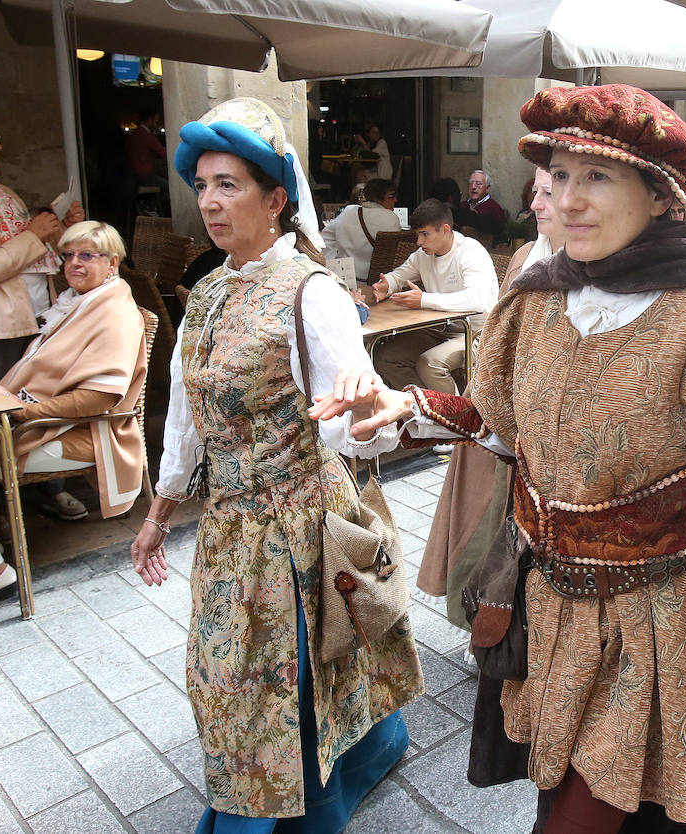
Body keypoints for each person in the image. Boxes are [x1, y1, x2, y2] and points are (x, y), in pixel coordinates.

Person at [310, 83, 686, 833]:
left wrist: (678, 550)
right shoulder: (535, 298)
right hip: (549, 615)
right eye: (559, 176)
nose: (568, 199)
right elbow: (505, 428)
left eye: (597, 177)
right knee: (571, 795)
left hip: (657, 630)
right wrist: (414, 408)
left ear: (661, 195)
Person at [128, 97, 423, 832]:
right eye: (202, 185)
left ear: (276, 199)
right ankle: (356, 758)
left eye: (228, 184)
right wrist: (159, 513)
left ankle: (277, 810)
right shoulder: (205, 293)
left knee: (283, 678)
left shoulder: (311, 294)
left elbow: (364, 431)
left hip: (299, 521)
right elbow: (187, 418)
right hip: (231, 527)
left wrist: (362, 410)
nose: (209, 202)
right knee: (229, 677)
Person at [0, 220, 146, 615]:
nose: (73, 264)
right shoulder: (82, 301)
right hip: (48, 424)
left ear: (113, 262)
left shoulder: (115, 313)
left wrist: (24, 411)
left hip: (90, 435)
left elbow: (99, 397)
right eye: (68, 255)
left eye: (86, 255)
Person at [416, 166, 564, 617]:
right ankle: (487, 615)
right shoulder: (525, 257)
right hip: (501, 413)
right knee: (487, 526)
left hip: (547, 436)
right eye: (535, 191)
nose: (535, 204)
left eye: (548, 192)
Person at [0, 109, 90, 521]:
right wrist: (33, 233)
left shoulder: (3, 195)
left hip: (37, 318)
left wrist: (63, 229)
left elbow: (39, 257)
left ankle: (49, 489)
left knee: (42, 401)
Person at [370, 198, 497, 394]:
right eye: (417, 235)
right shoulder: (423, 255)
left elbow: (476, 300)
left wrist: (424, 300)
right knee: (383, 356)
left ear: (445, 229)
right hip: (438, 328)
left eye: (424, 234)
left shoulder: (470, 252)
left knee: (429, 364)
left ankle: (456, 416)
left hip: (475, 332)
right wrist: (387, 285)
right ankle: (425, 410)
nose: (419, 242)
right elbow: (399, 275)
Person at [320, 177, 401, 283]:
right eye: (391, 196)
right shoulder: (391, 218)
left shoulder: (349, 211)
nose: (396, 200)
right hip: (377, 278)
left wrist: (333, 261)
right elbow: (395, 250)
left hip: (346, 276)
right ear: (378, 197)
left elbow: (325, 237)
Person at [456, 169, 507, 239]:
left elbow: (499, 233)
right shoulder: (462, 205)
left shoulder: (494, 208)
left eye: (478, 184)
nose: (473, 187)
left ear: (487, 188)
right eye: (471, 183)